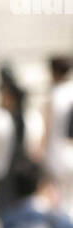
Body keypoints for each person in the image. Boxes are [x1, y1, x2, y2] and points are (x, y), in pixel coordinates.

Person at [0, 65, 44, 222]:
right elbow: (37, 149)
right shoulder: (33, 117)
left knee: (7, 217)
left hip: (8, 175)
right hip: (27, 175)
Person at [38, 55, 73, 215]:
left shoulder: (55, 94)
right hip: (68, 151)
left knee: (59, 201)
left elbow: (48, 126)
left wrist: (40, 149)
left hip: (57, 153)